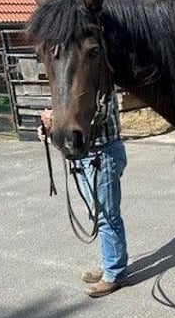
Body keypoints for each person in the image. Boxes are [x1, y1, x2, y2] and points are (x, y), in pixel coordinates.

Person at [37, 97, 129, 298]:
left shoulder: (100, 81)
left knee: (107, 216)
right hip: (84, 154)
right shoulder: (73, 81)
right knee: (96, 215)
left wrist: (57, 120)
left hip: (102, 154)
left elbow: (96, 117)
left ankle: (115, 273)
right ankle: (109, 263)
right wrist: (51, 128)